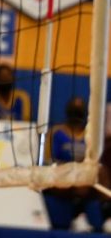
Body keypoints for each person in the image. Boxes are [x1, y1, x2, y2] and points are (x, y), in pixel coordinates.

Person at [45, 96, 103, 232]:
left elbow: (95, 160)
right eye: (74, 109)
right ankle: (79, 214)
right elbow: (47, 160)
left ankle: (82, 216)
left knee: (95, 176)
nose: (77, 114)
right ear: (67, 112)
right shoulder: (55, 131)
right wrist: (68, 168)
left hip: (83, 176)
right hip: (61, 174)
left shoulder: (92, 134)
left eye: (79, 109)